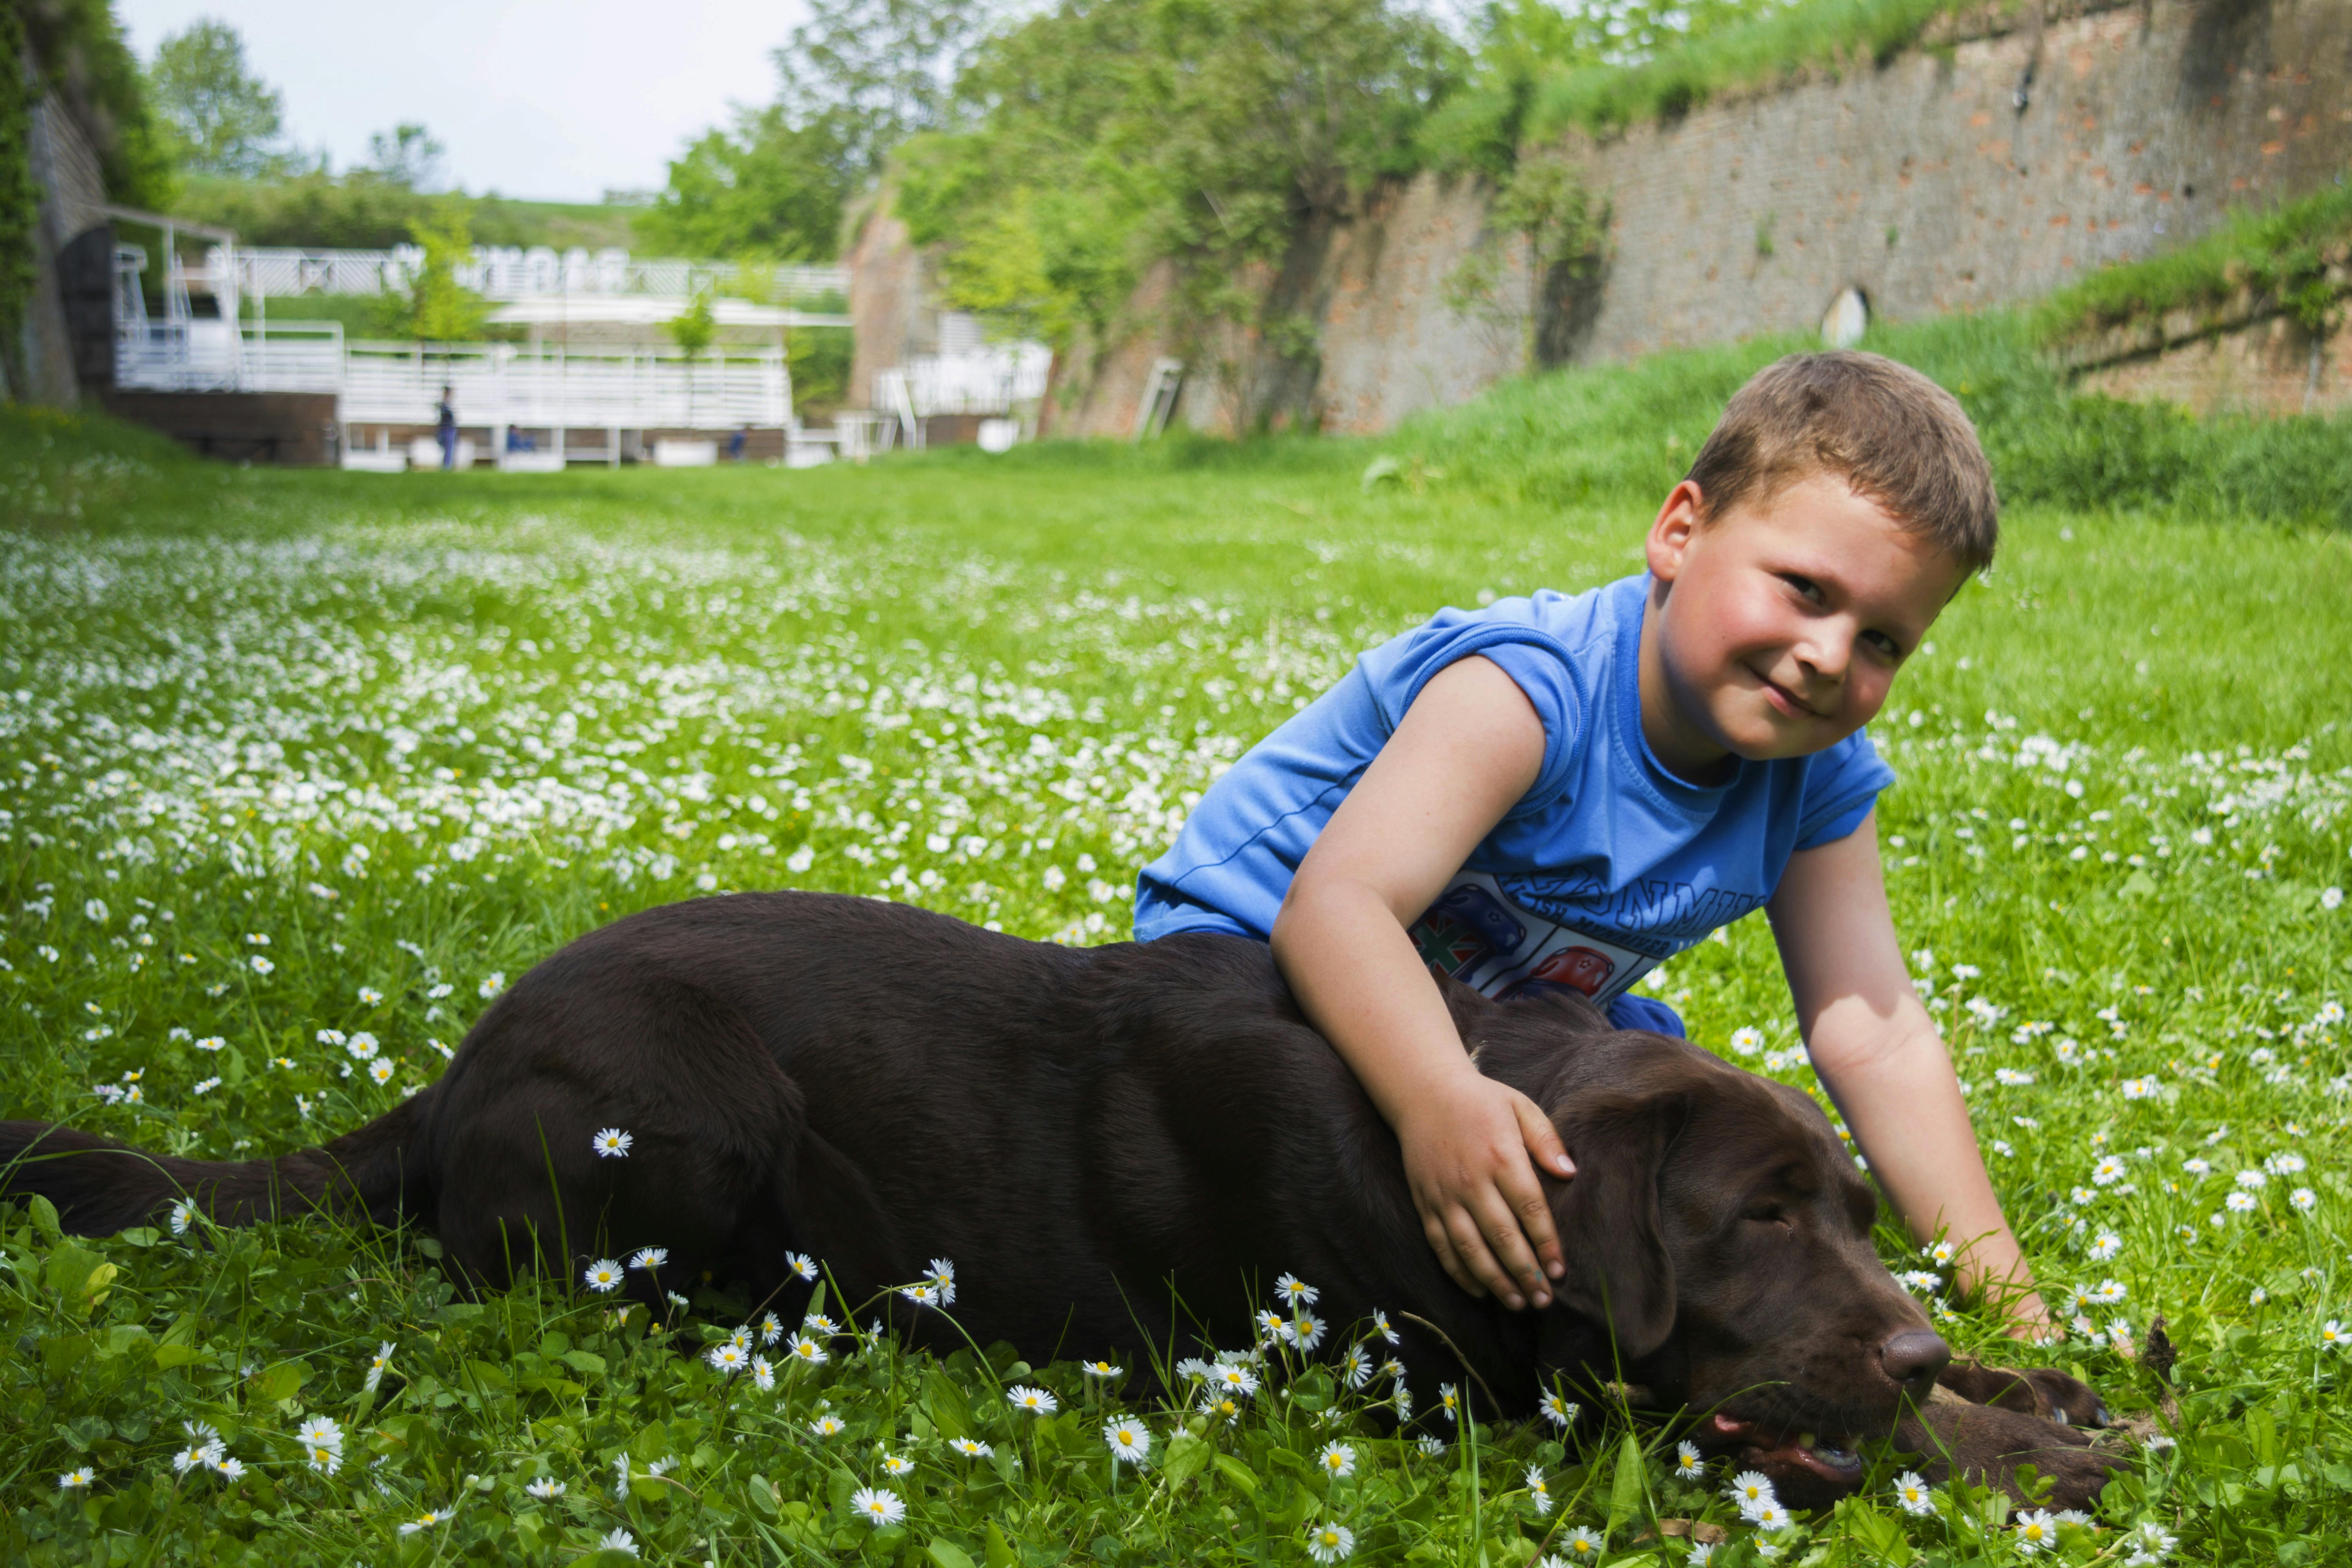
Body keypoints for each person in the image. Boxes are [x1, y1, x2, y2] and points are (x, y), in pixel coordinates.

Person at [1135, 351, 2053, 1338]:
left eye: (1883, 642)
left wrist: (2004, 1291)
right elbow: (1337, 909)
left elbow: (1874, 1030)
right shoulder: (1528, 693)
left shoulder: (1818, 773)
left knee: (1681, 1138)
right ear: (1679, 531)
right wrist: (1438, 1096)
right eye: (1805, 589)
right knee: (1375, 1162)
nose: (1830, 655)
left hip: (1506, 1017)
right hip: (1255, 960)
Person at [435, 386, 457, 472]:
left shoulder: (452, 403)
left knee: (449, 449)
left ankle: (446, 468)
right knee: (442, 445)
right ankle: (445, 466)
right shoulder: (442, 402)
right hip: (443, 428)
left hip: (450, 428)